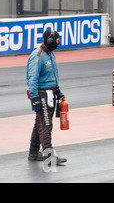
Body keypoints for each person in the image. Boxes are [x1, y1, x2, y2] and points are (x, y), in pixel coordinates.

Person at [26, 30, 66, 164]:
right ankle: (49, 157)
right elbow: (32, 79)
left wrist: (57, 90)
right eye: (56, 42)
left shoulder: (50, 53)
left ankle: (33, 153)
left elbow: (51, 75)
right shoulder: (37, 56)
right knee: (46, 125)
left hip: (50, 93)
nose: (57, 45)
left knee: (40, 124)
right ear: (49, 41)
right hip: (42, 95)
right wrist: (35, 98)